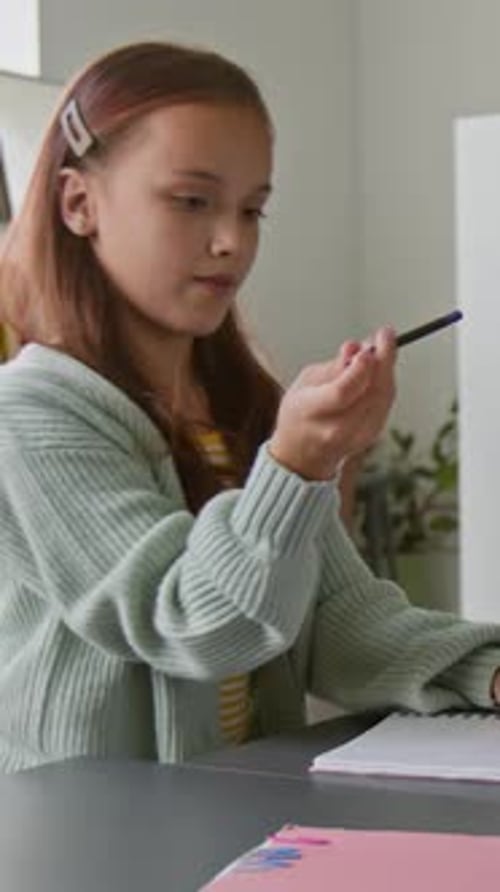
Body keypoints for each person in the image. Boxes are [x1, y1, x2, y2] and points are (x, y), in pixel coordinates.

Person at [0, 41, 499, 775]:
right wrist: (297, 465)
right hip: (88, 842)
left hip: (230, 813)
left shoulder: (240, 405)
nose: (231, 241)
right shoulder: (32, 415)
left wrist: (486, 671)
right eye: (191, 201)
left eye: (253, 208)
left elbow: (338, 627)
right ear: (79, 203)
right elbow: (194, 625)